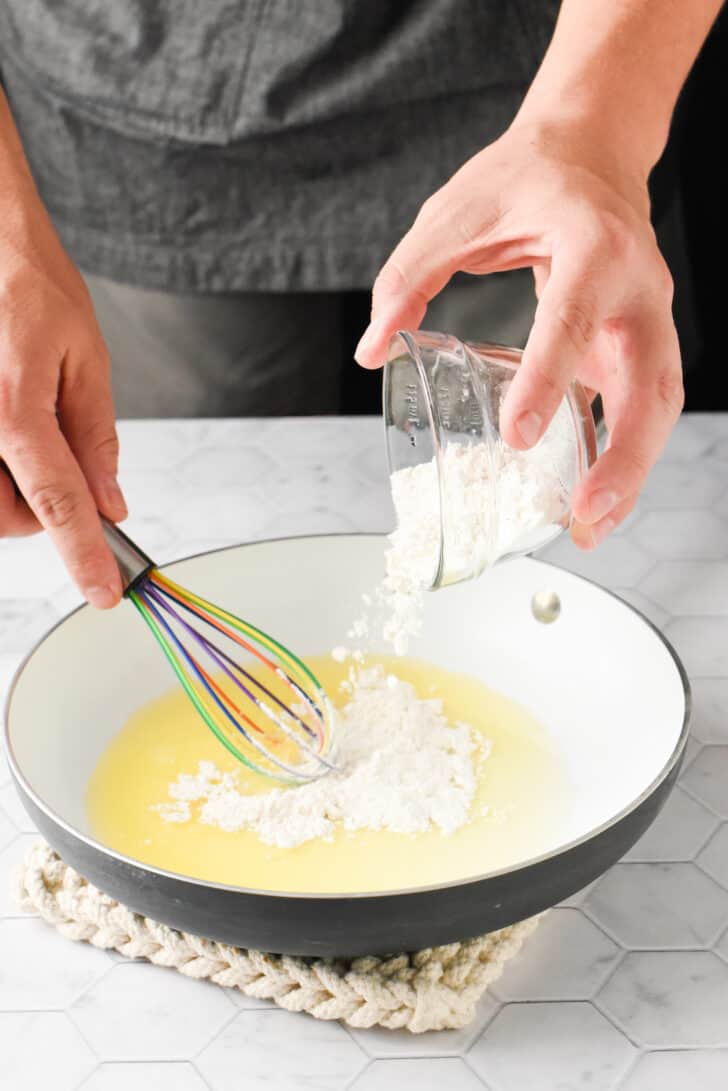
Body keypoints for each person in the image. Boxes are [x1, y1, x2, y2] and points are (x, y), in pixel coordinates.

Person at [0, 1, 722, 609]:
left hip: (527, 90)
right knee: (210, 502)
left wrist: (593, 126)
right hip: (138, 105)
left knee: (542, 470)